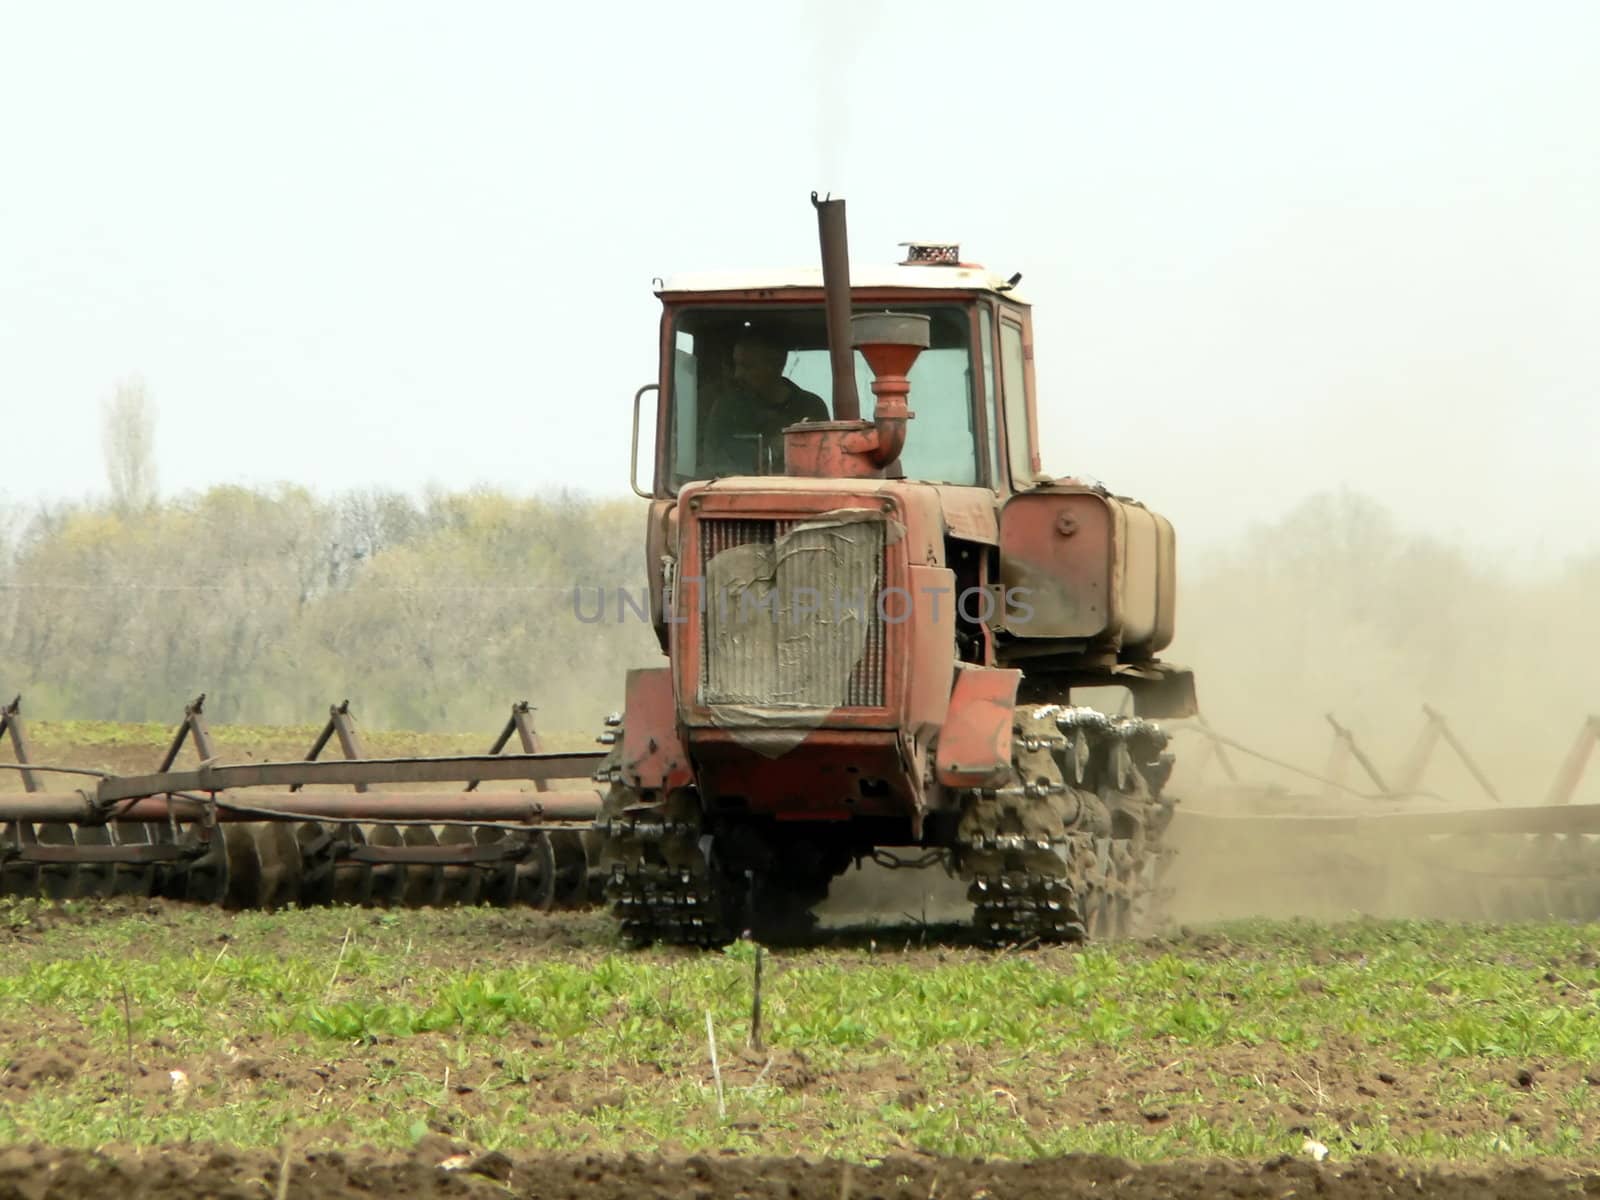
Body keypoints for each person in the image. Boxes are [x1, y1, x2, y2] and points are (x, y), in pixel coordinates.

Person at [701, 333, 829, 474]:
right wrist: (772, 448)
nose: (738, 374)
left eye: (747, 366)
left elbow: (824, 467)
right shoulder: (726, 409)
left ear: (777, 365)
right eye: (737, 365)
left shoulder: (811, 408)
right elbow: (714, 469)